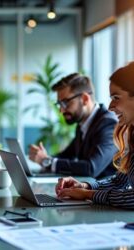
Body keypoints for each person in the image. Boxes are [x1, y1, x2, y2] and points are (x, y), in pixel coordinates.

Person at [55, 62, 134, 209]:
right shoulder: (132, 135)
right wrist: (85, 186)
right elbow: (120, 182)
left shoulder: (107, 123)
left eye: (116, 97)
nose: (110, 106)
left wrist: (88, 194)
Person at [29, 73, 117, 178]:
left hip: (105, 192)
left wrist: (47, 161)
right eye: (60, 104)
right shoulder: (83, 124)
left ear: (84, 99)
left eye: (66, 103)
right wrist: (44, 158)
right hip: (88, 189)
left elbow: (91, 168)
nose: (61, 110)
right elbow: (67, 155)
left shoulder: (108, 124)